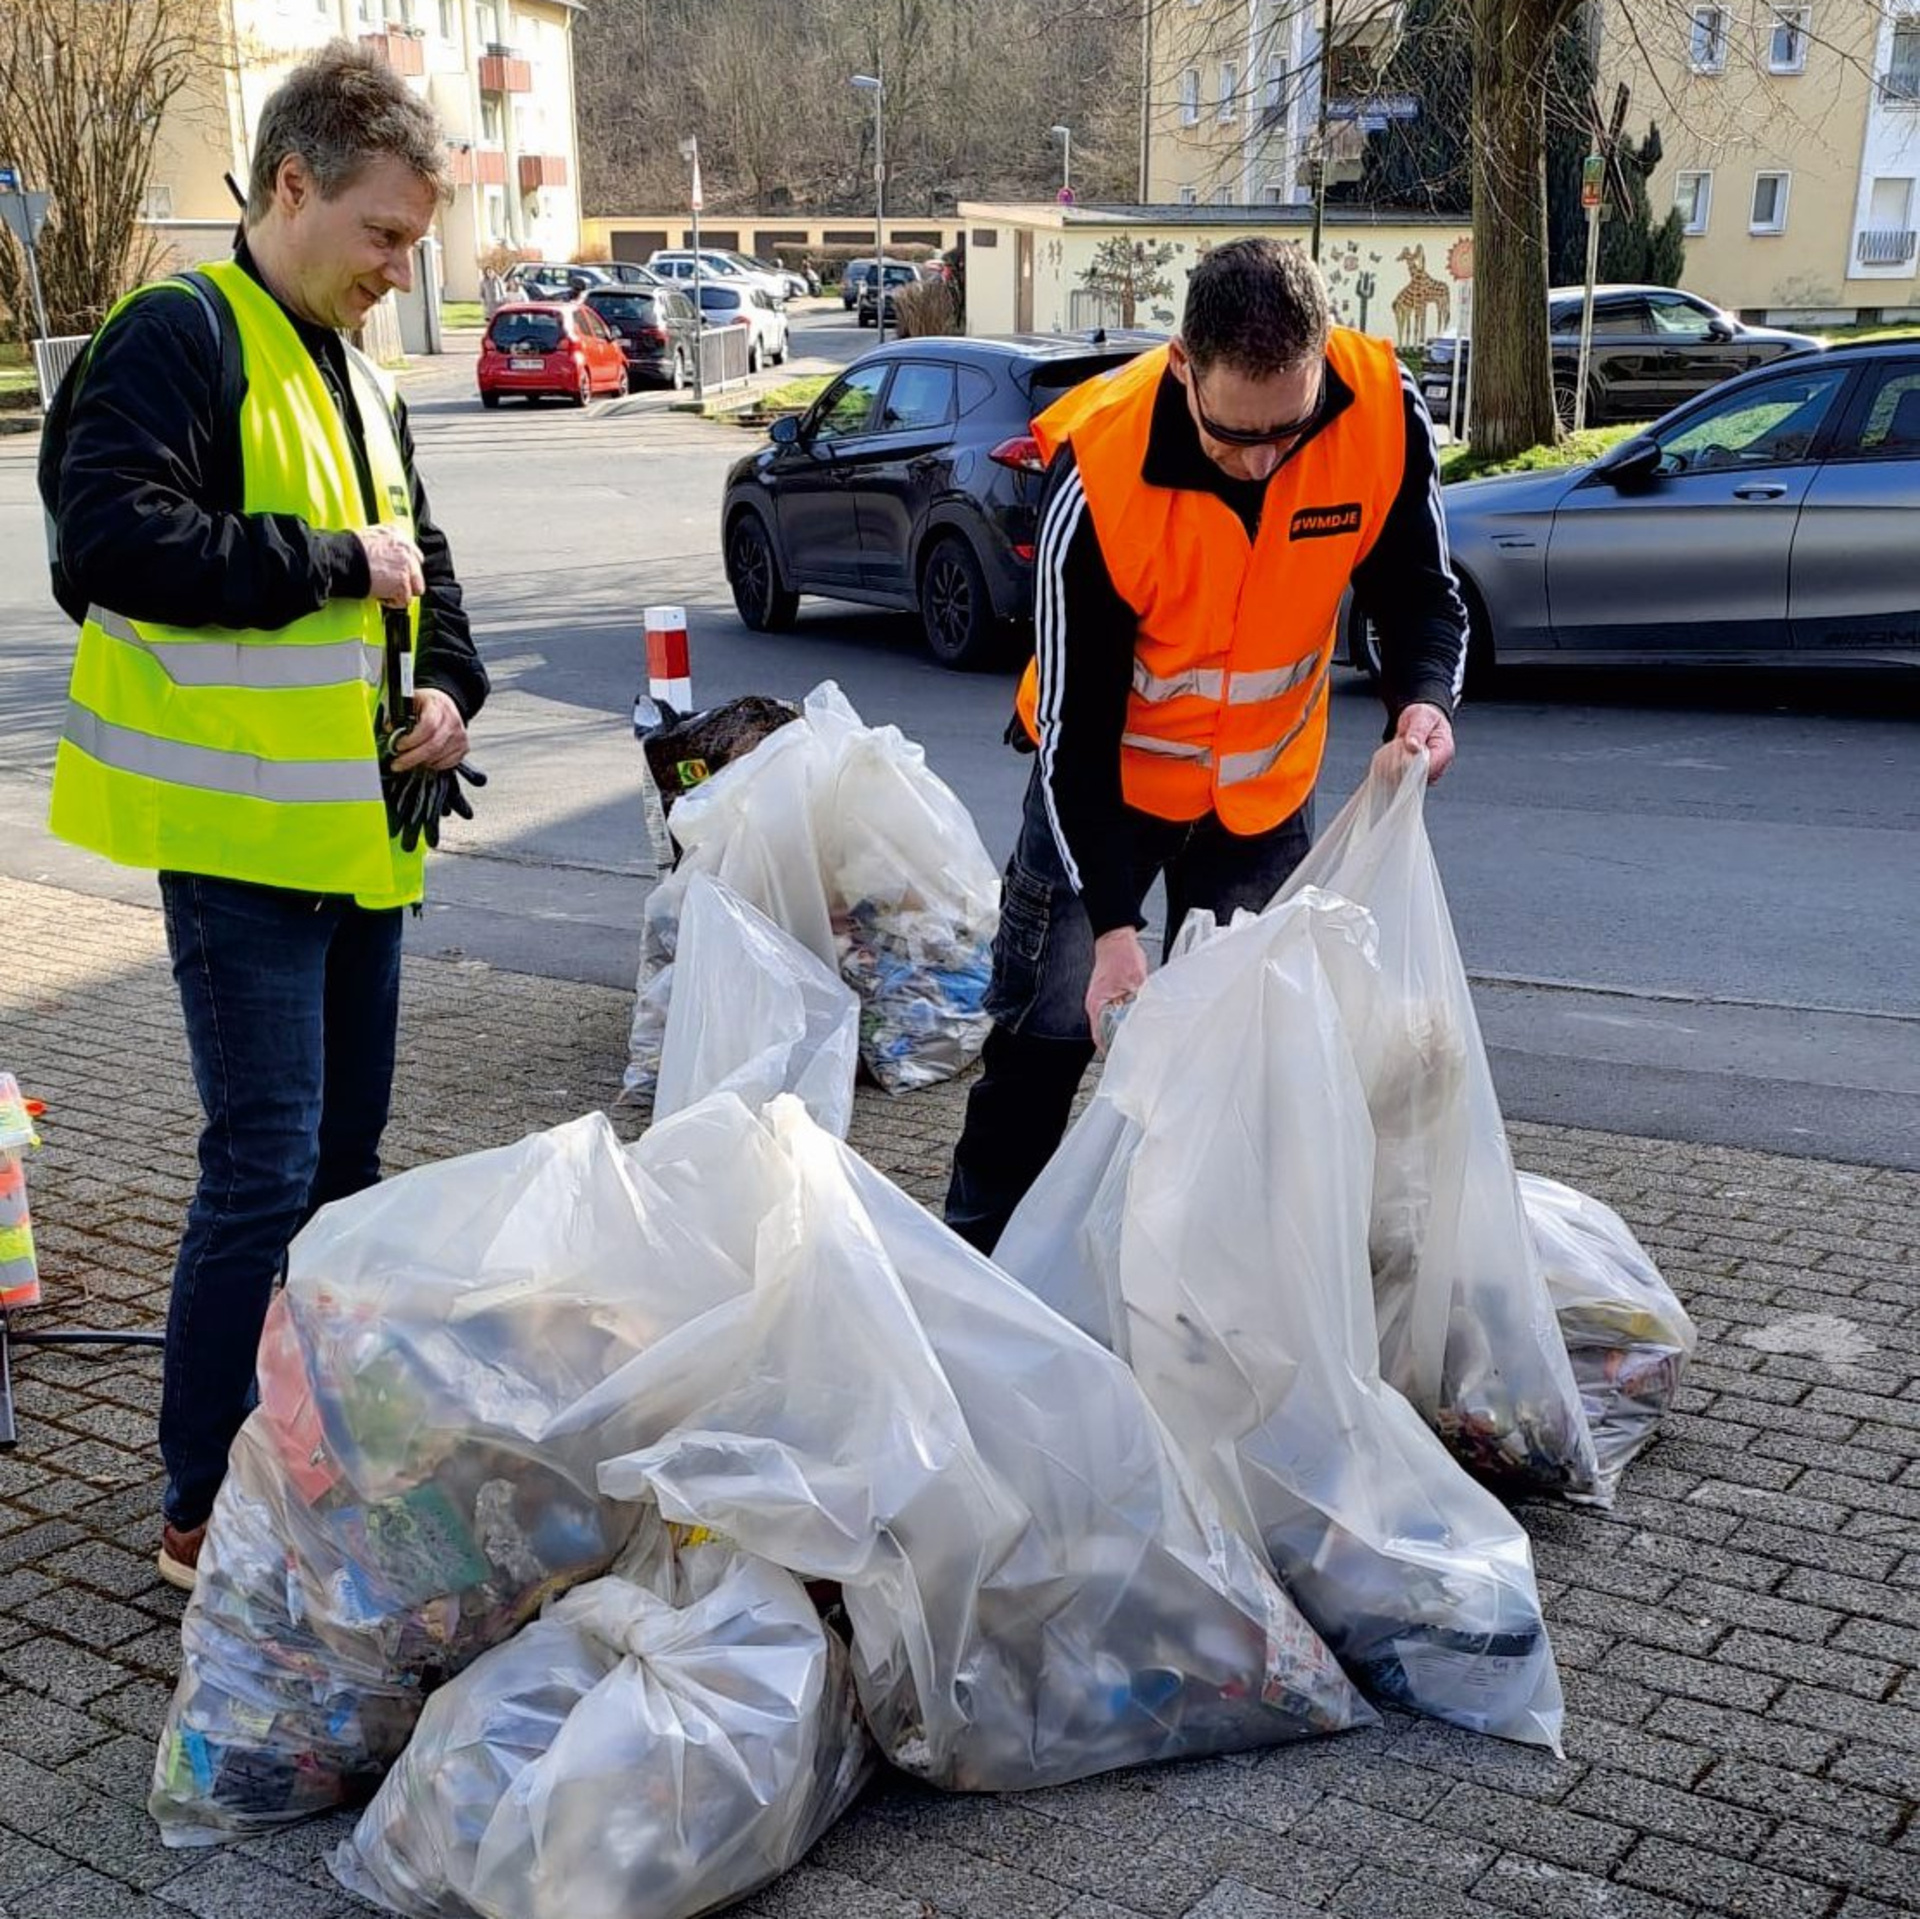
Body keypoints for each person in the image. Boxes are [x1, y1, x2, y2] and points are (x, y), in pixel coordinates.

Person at [43, 42, 488, 1589]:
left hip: (364, 837)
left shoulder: (365, 375)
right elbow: (108, 539)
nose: (396, 270)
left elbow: (425, 567)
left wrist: (450, 693)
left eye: (415, 246)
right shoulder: (180, 334)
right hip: (241, 851)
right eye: (380, 236)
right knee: (263, 1163)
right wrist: (326, 563)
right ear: (289, 186)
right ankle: (195, 1501)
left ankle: (303, 1440)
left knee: (344, 1167)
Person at [945, 237, 1466, 1255]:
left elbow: (1420, 594)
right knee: (1046, 1038)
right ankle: (975, 1277)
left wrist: (1423, 698)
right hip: (1108, 794)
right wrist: (1109, 931)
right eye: (1235, 436)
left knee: (1239, 1062)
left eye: (1290, 429)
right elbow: (1074, 736)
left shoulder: (1380, 412)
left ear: (1323, 358)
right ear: (1183, 365)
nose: (1265, 461)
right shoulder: (1098, 479)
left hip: (1262, 800)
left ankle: (1195, 1294)